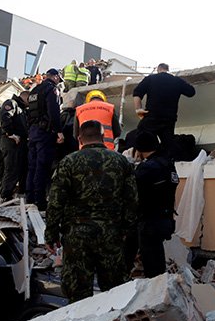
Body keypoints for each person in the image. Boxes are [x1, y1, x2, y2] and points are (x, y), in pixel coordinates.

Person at [45, 120, 137, 302]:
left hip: (77, 235)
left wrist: (51, 234)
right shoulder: (121, 162)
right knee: (116, 292)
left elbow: (55, 202)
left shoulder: (68, 162)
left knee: (78, 294)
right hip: (111, 233)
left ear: (79, 138)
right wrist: (126, 230)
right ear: (103, 137)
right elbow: (132, 201)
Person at [127, 132, 178, 277]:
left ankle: (154, 295)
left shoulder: (146, 168)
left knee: (151, 266)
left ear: (139, 149)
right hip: (165, 219)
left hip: (148, 221)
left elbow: (133, 193)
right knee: (157, 261)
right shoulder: (168, 165)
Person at [131, 63, 196, 150]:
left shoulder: (150, 79)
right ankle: (167, 160)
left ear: (158, 69)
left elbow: (137, 93)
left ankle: (144, 158)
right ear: (167, 70)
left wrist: (138, 109)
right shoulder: (176, 80)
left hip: (152, 116)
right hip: (169, 119)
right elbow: (191, 92)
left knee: (142, 140)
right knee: (168, 145)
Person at [26, 69, 64, 210]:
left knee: (32, 166)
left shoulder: (34, 91)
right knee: (43, 166)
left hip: (33, 132)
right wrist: (59, 131)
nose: (58, 82)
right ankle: (40, 201)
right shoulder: (51, 89)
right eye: (59, 79)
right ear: (55, 77)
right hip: (45, 132)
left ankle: (30, 197)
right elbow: (54, 112)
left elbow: (29, 114)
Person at [0, 90, 29, 201]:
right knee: (11, 169)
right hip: (11, 141)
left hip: (19, 142)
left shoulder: (23, 110)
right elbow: (4, 116)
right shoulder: (12, 103)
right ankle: (5, 196)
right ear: (25, 98)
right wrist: (10, 134)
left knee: (18, 169)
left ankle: (12, 194)